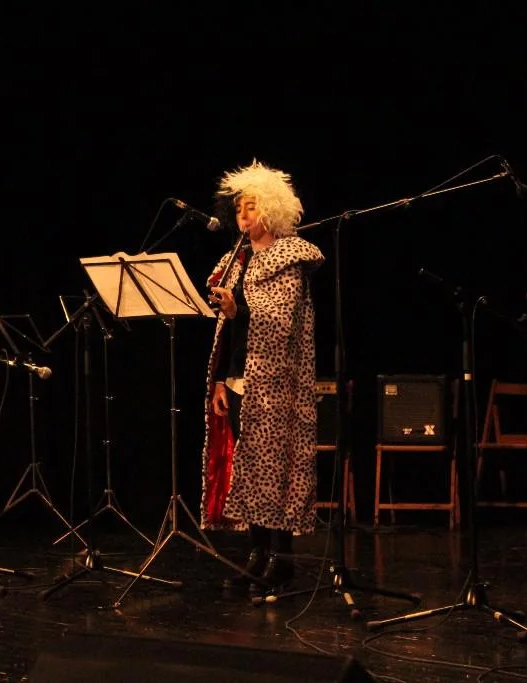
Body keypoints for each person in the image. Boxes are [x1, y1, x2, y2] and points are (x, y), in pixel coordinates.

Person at [200, 160, 324, 595]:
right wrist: (220, 380)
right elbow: (228, 330)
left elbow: (279, 321)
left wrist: (240, 308)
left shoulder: (289, 259)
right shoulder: (236, 262)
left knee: (276, 469)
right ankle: (255, 554)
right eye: (239, 209)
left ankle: (280, 559)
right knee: (249, 470)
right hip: (239, 381)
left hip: (275, 383)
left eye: (250, 207)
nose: (243, 216)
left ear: (271, 209)